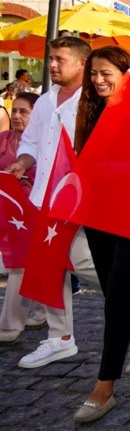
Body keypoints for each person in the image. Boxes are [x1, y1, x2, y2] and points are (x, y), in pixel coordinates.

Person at [69, 47, 130, 423]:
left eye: (106, 72)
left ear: (126, 73)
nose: (98, 79)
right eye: (94, 73)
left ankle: (103, 386)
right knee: (113, 289)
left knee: (117, 297)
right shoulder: (90, 111)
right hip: (98, 214)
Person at [6, 37, 101, 369]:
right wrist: (24, 161)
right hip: (45, 195)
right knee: (52, 261)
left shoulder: (94, 102)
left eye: (60, 59)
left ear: (81, 64)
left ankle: (124, 287)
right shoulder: (45, 101)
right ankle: (60, 336)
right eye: (51, 59)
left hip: (78, 197)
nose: (53, 64)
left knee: (74, 258)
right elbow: (31, 142)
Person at [0, 92, 44, 342]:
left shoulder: (43, 143)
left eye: (23, 111)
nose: (16, 116)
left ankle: (10, 324)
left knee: (19, 264)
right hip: (7, 211)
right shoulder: (3, 139)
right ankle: (44, 310)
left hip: (34, 211)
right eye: (14, 110)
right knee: (48, 266)